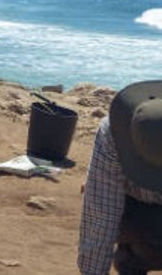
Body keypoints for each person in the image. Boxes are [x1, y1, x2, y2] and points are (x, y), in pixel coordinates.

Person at [79, 80, 162, 275]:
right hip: (134, 208)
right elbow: (100, 219)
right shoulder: (113, 136)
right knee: (145, 233)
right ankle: (133, 261)